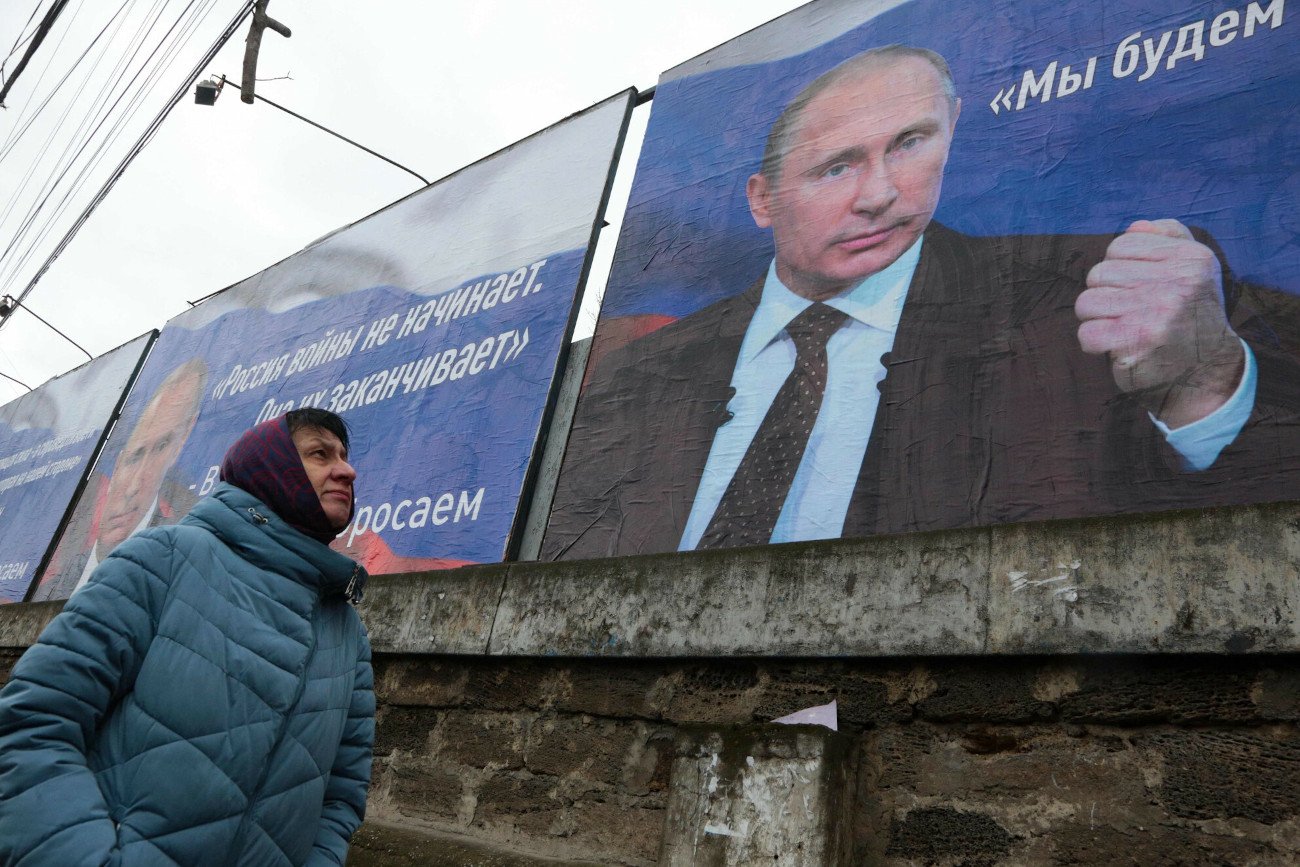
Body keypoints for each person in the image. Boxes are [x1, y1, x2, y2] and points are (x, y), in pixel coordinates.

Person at [544, 44, 1300, 559]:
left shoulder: (1099, 293)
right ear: (761, 199)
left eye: (910, 143)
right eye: (837, 167)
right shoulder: (637, 376)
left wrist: (1207, 385)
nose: (880, 195)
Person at [0, 408, 374, 866]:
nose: (347, 469)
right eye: (320, 454)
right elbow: (31, 728)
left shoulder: (348, 633)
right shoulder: (163, 560)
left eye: (344, 456)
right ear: (270, 468)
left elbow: (340, 798)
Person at [32, 358, 207, 600]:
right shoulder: (53, 580)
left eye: (161, 446)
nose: (133, 488)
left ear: (185, 435)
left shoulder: (183, 554)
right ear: (117, 463)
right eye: (134, 458)